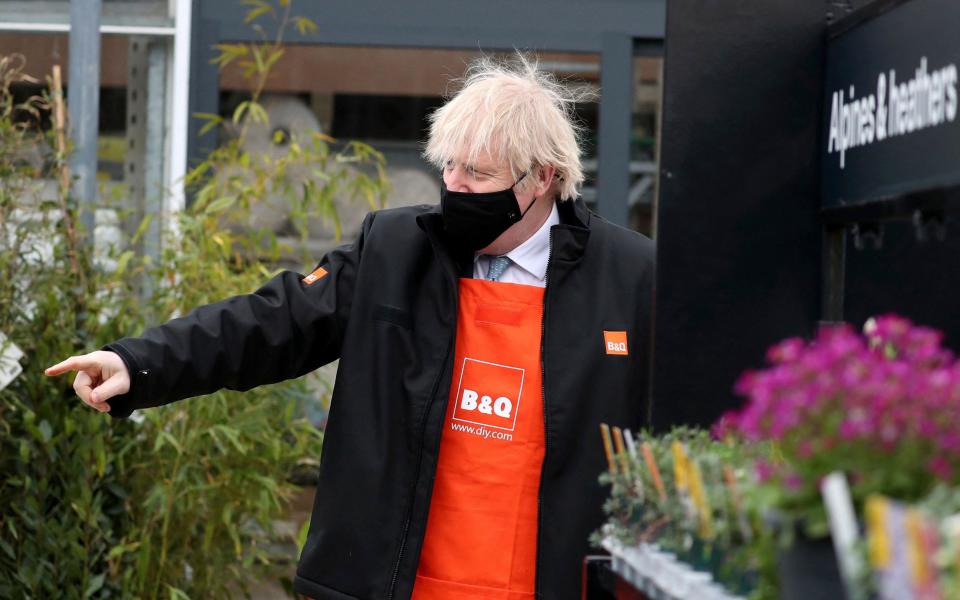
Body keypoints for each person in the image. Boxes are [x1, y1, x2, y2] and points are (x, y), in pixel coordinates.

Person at [45, 55, 655, 600]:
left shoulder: (630, 277)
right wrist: (137, 363)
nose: (455, 186)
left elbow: (685, 434)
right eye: (448, 166)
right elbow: (271, 321)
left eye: (478, 173)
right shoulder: (395, 250)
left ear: (542, 178)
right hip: (390, 579)